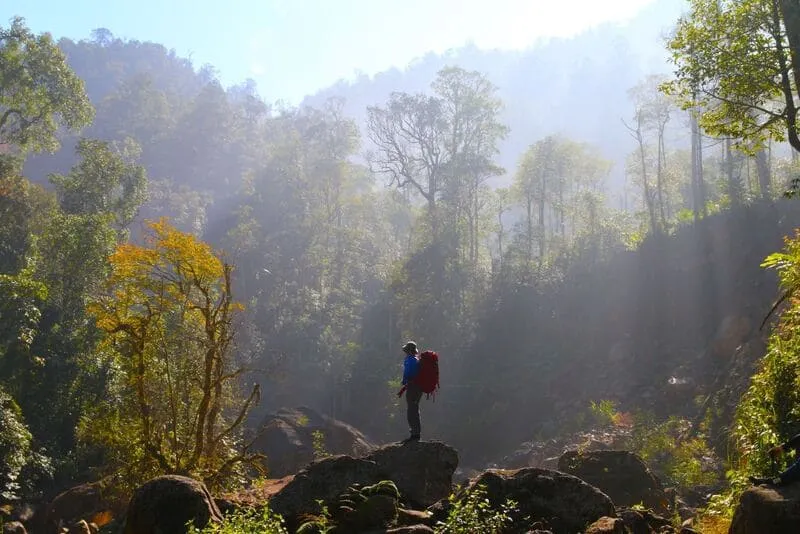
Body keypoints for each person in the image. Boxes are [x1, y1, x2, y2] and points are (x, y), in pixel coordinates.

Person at [397, 340, 422, 444]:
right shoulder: (417, 360)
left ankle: (414, 434)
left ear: (408, 351)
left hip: (412, 388)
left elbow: (407, 373)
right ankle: (416, 433)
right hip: (418, 388)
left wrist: (404, 381)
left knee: (411, 410)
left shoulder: (409, 360)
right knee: (415, 409)